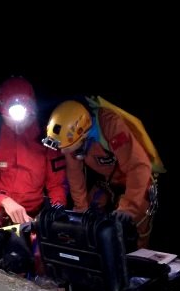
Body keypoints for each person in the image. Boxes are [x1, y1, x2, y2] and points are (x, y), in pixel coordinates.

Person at [42, 97, 162, 249]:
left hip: (138, 182)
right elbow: (75, 174)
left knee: (132, 229)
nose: (67, 153)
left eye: (70, 149)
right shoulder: (71, 139)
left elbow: (138, 167)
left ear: (82, 133)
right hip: (110, 183)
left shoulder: (110, 124)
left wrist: (128, 207)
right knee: (90, 219)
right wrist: (81, 210)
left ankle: (135, 264)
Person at [0, 77, 67, 233]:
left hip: (32, 214)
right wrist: (4, 201)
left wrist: (54, 213)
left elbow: (57, 184)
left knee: (42, 252)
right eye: (10, 116)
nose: (16, 122)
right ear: (1, 109)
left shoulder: (47, 134)